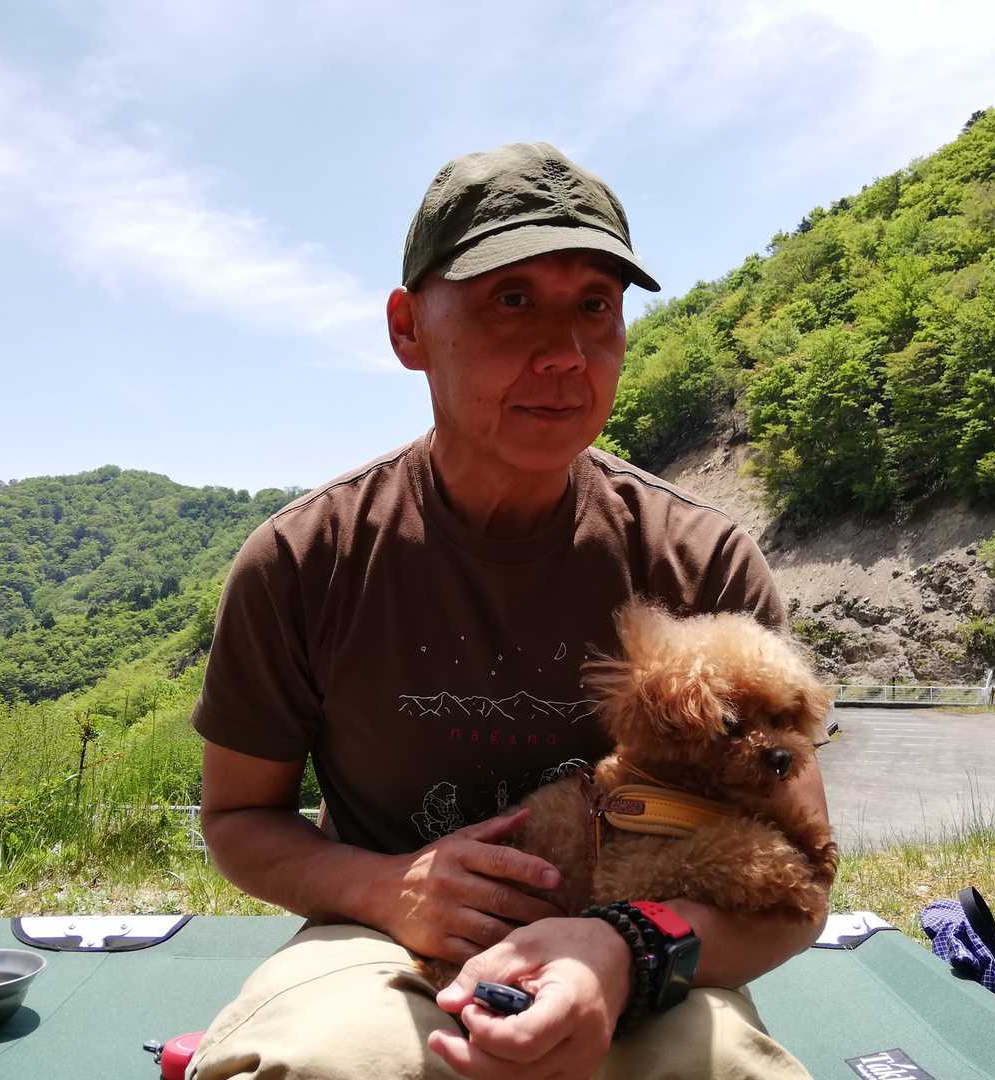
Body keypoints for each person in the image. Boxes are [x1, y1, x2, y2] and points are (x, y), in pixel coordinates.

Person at [187, 142, 829, 1080]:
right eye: (512, 299)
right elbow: (240, 816)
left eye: (596, 306)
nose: (565, 354)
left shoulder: (702, 562)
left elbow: (803, 875)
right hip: (383, 946)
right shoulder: (305, 559)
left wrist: (622, 951)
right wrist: (386, 886)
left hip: (650, 940)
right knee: (331, 1061)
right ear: (408, 328)